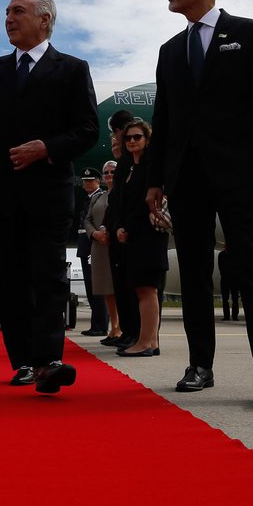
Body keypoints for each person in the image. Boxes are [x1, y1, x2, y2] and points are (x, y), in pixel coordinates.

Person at [145, 0, 253, 397]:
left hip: (236, 169)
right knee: (191, 269)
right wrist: (154, 181)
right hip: (186, 177)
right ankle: (199, 366)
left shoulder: (247, 33)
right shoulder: (170, 51)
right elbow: (163, 122)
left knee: (249, 260)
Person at [0, 0, 99, 394]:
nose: (8, 18)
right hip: (2, 194)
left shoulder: (72, 69)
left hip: (50, 192)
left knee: (49, 276)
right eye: (5, 12)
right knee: (10, 280)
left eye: (17, 11)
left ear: (45, 20)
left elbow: (87, 130)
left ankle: (49, 360)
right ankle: (22, 361)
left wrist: (48, 147)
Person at [114, 120, 168, 357]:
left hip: (148, 235)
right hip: (134, 236)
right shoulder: (128, 168)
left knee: (147, 289)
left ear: (147, 139)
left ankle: (146, 342)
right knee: (142, 289)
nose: (132, 141)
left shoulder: (151, 168)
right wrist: (120, 227)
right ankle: (151, 341)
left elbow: (143, 204)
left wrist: (129, 227)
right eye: (128, 138)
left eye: (137, 137)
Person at [101, 111, 140, 349]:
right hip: (118, 231)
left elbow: (130, 199)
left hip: (128, 232)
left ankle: (137, 333)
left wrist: (123, 225)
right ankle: (127, 331)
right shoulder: (124, 163)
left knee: (134, 288)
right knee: (122, 286)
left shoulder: (135, 163)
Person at [85, 160, 121, 343]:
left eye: (112, 172)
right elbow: (87, 219)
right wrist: (95, 234)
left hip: (116, 245)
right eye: (106, 173)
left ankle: (121, 328)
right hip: (99, 245)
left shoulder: (123, 194)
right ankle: (114, 328)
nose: (109, 176)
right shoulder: (97, 197)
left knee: (119, 288)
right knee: (107, 289)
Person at [77, 166, 108, 336]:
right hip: (85, 245)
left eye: (90, 181)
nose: (87, 184)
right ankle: (96, 324)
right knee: (90, 287)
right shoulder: (89, 198)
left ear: (98, 182)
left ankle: (101, 325)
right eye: (85, 181)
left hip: (92, 245)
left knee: (97, 288)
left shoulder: (99, 198)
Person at [218, 248, 240, 321]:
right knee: (225, 299)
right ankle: (226, 316)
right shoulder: (221, 255)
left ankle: (235, 316)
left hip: (234, 279)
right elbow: (220, 266)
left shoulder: (235, 254)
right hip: (225, 279)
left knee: (235, 299)